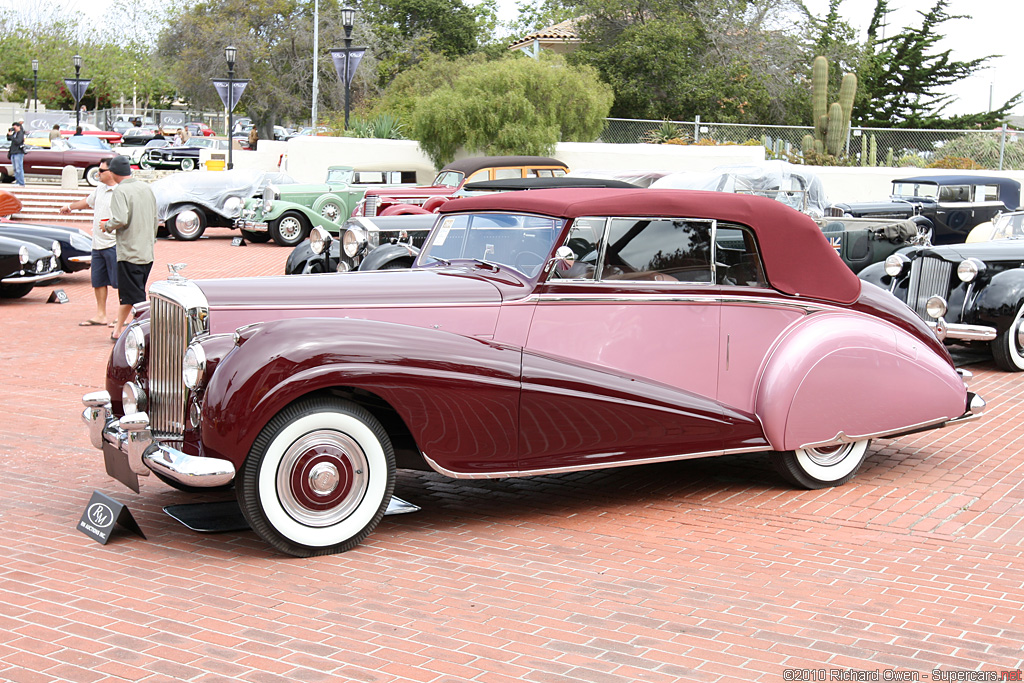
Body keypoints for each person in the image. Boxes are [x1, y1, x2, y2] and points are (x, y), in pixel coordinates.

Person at [104, 155, 157, 340]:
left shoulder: (120, 191)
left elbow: (120, 219)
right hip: (146, 250)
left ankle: (144, 333)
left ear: (112, 173)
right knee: (131, 293)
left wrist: (107, 226)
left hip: (129, 251)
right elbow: (155, 218)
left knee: (135, 297)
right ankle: (118, 329)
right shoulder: (145, 188)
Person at [60, 160, 118, 327]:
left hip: (114, 243)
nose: (98, 173)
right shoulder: (100, 188)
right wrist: (69, 207)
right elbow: (87, 202)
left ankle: (123, 315)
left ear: (111, 172)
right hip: (98, 243)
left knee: (120, 281)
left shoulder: (121, 191)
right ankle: (101, 314)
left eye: (101, 170)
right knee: (98, 280)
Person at [6, 121, 25, 186]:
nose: (14, 129)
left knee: (18, 168)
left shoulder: (20, 133)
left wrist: (12, 137)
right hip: (13, 152)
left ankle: (21, 182)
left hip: (18, 152)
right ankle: (17, 181)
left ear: (19, 127)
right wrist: (9, 134)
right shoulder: (14, 133)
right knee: (15, 168)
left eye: (15, 127)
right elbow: (9, 139)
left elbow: (18, 141)